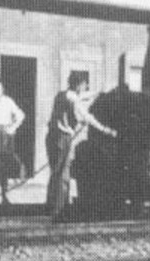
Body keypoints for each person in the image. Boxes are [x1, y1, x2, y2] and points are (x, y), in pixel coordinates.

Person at [44, 72, 118, 216]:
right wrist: (107, 130)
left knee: (56, 172)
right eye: (84, 85)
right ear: (78, 85)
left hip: (53, 137)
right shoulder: (73, 101)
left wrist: (98, 92)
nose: (86, 87)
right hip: (62, 138)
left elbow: (81, 96)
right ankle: (59, 209)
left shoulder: (63, 95)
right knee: (63, 174)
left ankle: (51, 205)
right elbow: (88, 117)